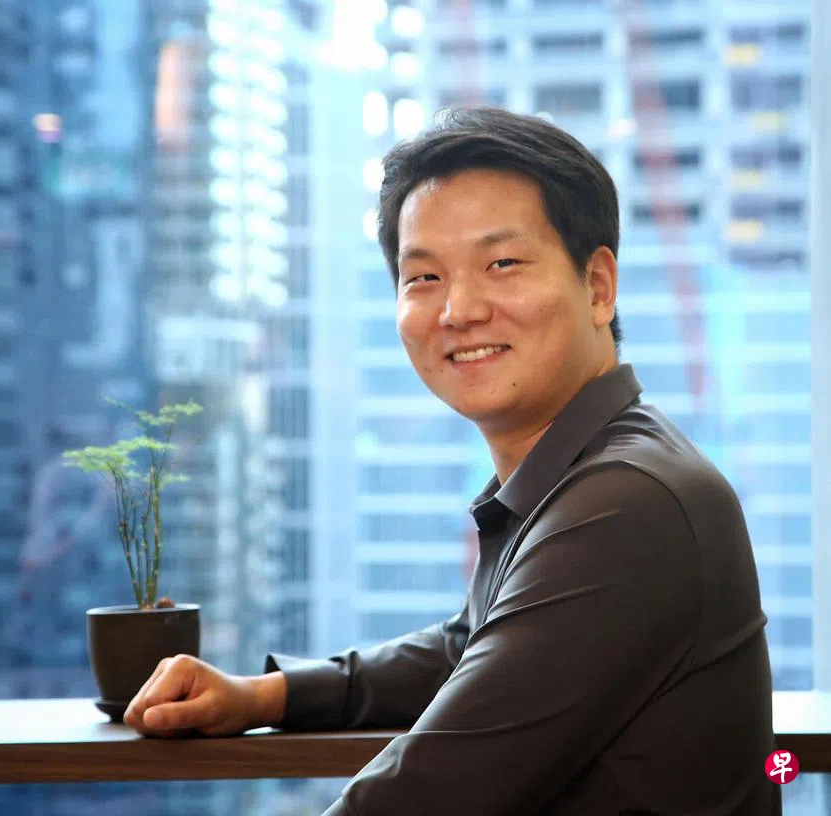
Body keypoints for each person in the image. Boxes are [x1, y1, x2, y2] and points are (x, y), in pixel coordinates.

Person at [123, 107, 779, 814]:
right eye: (424, 277)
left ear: (598, 286)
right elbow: (471, 649)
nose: (458, 310)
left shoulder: (627, 503)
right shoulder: (586, 470)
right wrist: (265, 695)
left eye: (502, 264)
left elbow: (422, 795)